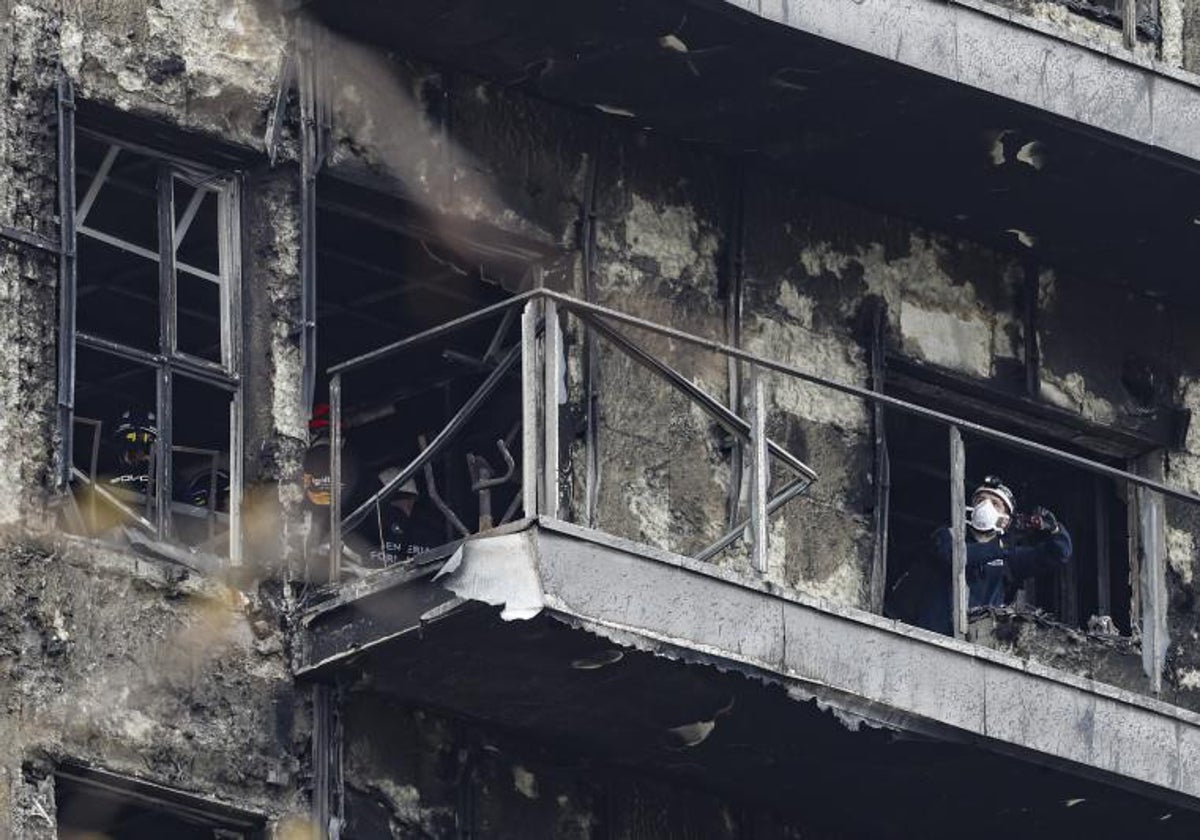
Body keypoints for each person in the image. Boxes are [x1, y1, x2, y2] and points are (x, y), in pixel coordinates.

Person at [899, 475, 1073, 635]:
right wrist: (1001, 546)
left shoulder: (1008, 557)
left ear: (1006, 518)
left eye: (995, 503)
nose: (985, 506)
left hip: (978, 646)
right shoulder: (948, 535)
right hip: (931, 636)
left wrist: (1055, 529)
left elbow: (1058, 554)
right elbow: (956, 556)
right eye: (980, 500)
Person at [366, 467, 445, 566]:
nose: (406, 504)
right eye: (396, 498)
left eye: (410, 498)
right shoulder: (368, 534)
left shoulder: (427, 531)